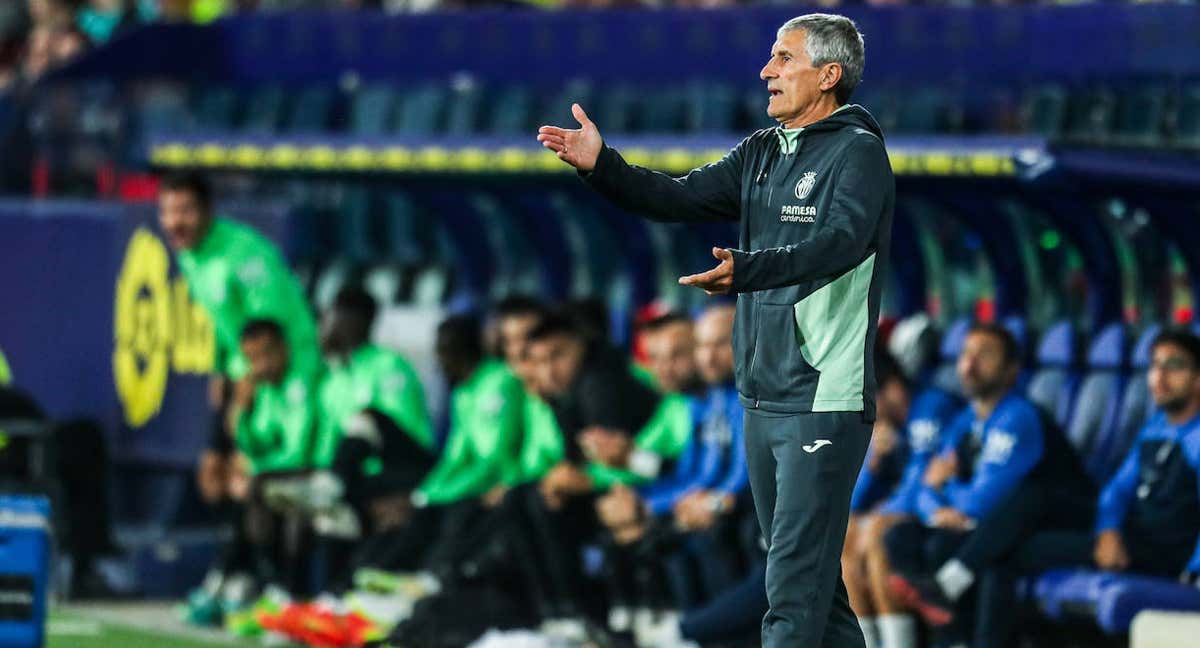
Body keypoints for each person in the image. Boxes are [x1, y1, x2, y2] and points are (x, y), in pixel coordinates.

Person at [539, 12, 892, 646]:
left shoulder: (858, 154)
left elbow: (841, 244)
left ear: (829, 74)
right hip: (761, 395)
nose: (766, 72)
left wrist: (750, 271)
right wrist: (602, 166)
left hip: (822, 398)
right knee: (815, 590)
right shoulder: (761, 151)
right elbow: (676, 198)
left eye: (784, 59)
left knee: (789, 584)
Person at [974, 328, 1200, 647]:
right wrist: (1108, 531)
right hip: (1128, 542)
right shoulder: (1156, 428)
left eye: (1174, 365)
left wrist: (1194, 572)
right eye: (1154, 364)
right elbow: (1116, 492)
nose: (1159, 375)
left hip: (1165, 555)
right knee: (1006, 551)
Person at [881, 323, 1089, 648]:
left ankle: (948, 601)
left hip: (1048, 524)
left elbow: (987, 500)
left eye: (985, 355)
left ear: (1011, 370)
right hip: (985, 527)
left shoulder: (1018, 416)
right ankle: (940, 612)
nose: (971, 363)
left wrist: (951, 500)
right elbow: (925, 487)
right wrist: (939, 511)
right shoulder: (965, 420)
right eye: (966, 353)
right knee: (900, 535)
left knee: (965, 550)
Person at [157, 171, 319, 527]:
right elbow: (219, 320)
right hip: (241, 367)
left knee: (256, 471)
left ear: (208, 210)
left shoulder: (245, 254)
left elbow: (270, 331)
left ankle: (262, 572)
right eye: (167, 212)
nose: (174, 222)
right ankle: (235, 570)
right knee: (216, 473)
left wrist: (249, 383)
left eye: (185, 211)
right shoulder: (191, 256)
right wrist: (219, 369)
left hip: (286, 370)